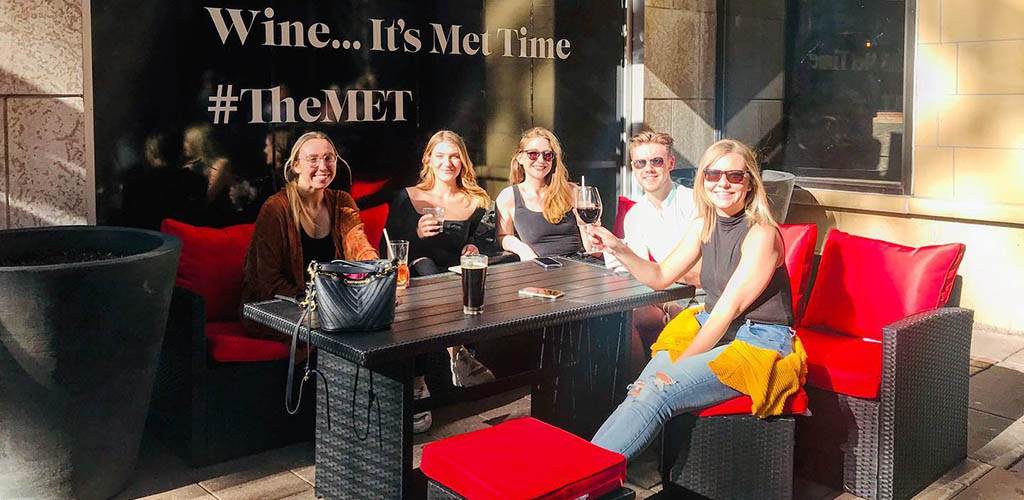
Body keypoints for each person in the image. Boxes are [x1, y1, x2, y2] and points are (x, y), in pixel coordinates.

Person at [586, 139, 803, 461]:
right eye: (713, 174)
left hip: (759, 339)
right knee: (643, 389)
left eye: (735, 176)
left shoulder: (762, 233)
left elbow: (727, 311)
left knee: (658, 386)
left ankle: (583, 482)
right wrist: (618, 248)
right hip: (711, 323)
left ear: (750, 183)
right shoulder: (704, 223)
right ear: (702, 180)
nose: (723, 183)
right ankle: (582, 478)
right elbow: (661, 275)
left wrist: (678, 367)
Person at [382, 130, 496, 433]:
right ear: (428, 159)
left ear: (463, 162)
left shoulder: (477, 200)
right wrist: (416, 234)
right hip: (416, 285)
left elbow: (487, 242)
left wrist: (474, 246)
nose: (448, 162)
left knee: (439, 275)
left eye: (455, 156)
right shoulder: (407, 197)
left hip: (456, 282)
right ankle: (455, 353)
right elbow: (389, 250)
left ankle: (432, 373)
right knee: (422, 264)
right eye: (441, 155)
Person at [241, 131, 378, 343]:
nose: (323, 167)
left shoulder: (341, 201)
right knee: (344, 332)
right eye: (313, 159)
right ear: (296, 166)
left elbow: (359, 247)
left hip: (332, 308)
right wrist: (319, 301)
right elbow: (267, 281)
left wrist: (378, 276)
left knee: (382, 324)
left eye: (328, 158)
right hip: (279, 311)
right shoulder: (276, 208)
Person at [607, 131, 700, 375]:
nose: (648, 169)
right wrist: (622, 259)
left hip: (701, 300)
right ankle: (634, 391)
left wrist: (648, 269)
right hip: (665, 298)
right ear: (633, 168)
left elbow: (702, 274)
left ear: (670, 163)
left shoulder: (693, 204)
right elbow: (641, 275)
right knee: (621, 319)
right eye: (640, 163)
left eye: (656, 161)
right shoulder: (636, 215)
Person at [495, 127, 589, 260]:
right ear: (519, 157)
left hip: (579, 265)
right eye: (533, 154)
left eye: (547, 155)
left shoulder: (572, 192)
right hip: (539, 268)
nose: (540, 160)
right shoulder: (508, 197)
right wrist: (522, 250)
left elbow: (591, 248)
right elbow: (503, 236)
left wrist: (587, 226)